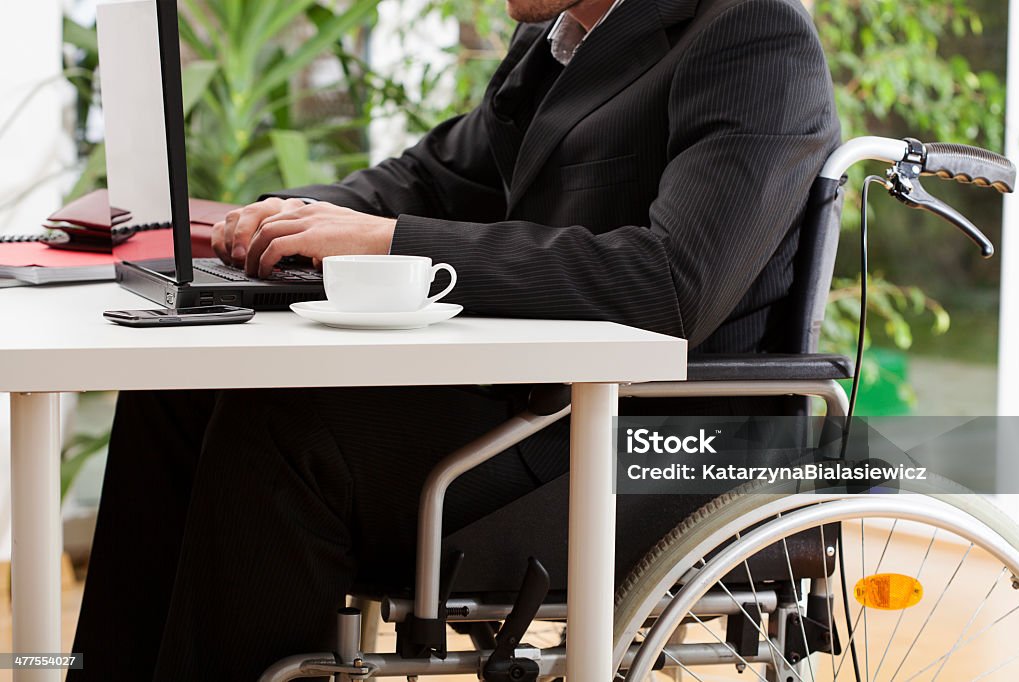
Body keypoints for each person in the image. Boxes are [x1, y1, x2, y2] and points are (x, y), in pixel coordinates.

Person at [70, 0, 841, 678]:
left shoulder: (753, 35)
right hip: (548, 407)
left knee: (280, 433)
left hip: (649, 446)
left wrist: (392, 242)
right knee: (175, 392)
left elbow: (671, 284)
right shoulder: (562, 38)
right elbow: (434, 178)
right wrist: (290, 215)